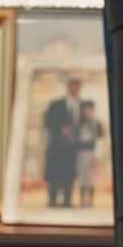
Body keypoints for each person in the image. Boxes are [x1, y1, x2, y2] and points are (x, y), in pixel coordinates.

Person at [42, 77, 84, 207]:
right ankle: (52, 199)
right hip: (57, 145)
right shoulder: (56, 104)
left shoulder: (82, 105)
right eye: (73, 86)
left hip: (73, 147)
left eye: (78, 87)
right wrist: (60, 128)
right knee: (54, 173)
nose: (75, 90)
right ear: (68, 87)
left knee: (69, 173)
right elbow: (47, 122)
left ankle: (67, 200)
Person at [75, 100, 105, 209]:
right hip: (81, 153)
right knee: (83, 177)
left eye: (89, 109)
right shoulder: (79, 123)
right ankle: (82, 201)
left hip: (93, 153)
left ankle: (91, 202)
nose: (87, 112)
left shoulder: (97, 124)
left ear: (93, 110)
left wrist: (97, 155)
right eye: (85, 109)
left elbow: (100, 140)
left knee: (92, 178)